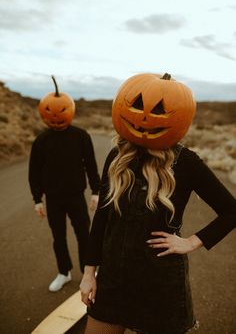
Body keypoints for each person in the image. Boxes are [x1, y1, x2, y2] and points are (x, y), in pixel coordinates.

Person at [80, 73, 236, 334]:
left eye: (161, 110)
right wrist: (88, 273)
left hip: (159, 284)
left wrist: (192, 241)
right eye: (138, 105)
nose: (144, 117)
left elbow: (231, 211)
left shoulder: (186, 162)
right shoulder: (117, 157)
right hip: (113, 280)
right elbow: (102, 219)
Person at [29, 76, 100, 292]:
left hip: (76, 196)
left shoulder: (81, 136)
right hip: (53, 198)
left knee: (84, 235)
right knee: (58, 236)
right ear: (44, 113)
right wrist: (37, 200)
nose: (57, 117)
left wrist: (96, 192)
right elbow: (34, 172)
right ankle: (64, 272)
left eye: (62, 111)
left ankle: (88, 272)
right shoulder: (41, 140)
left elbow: (91, 166)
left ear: (70, 110)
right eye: (51, 112)